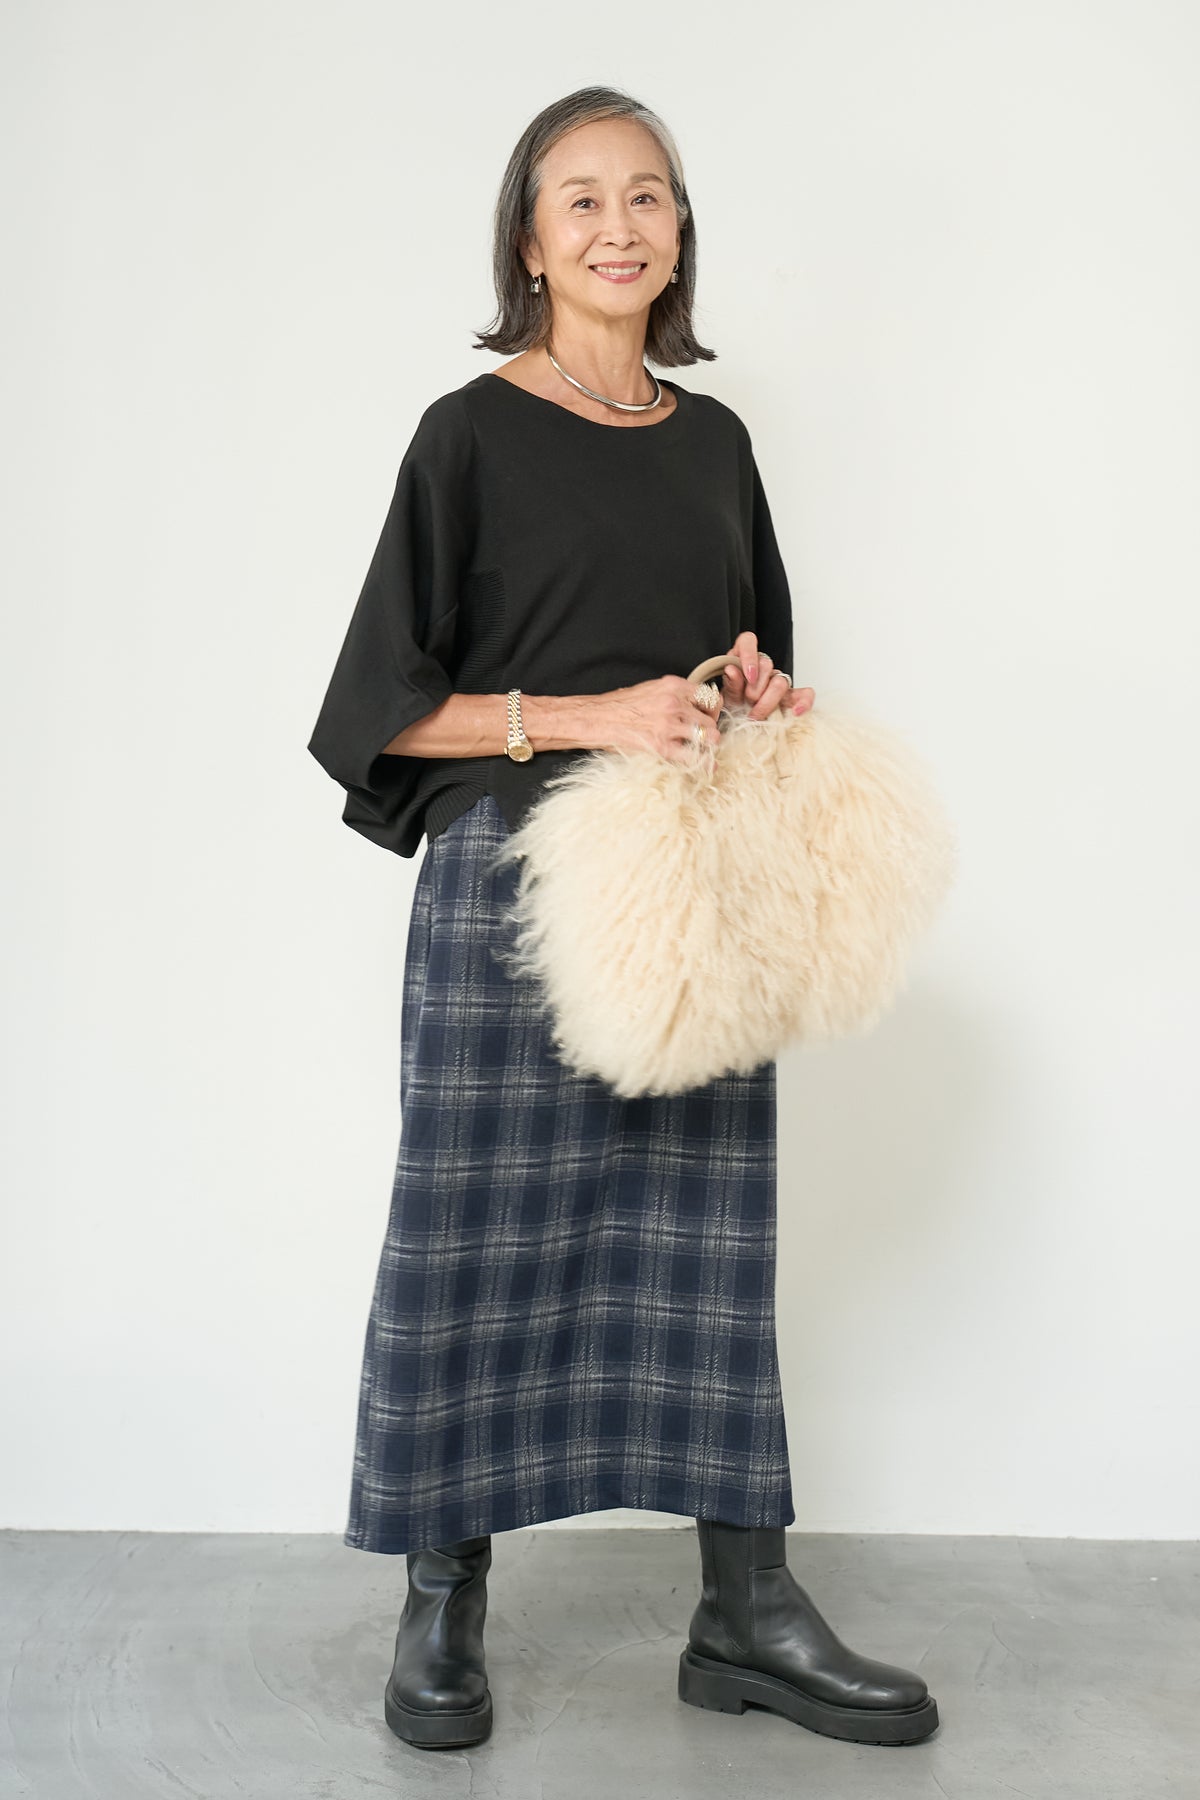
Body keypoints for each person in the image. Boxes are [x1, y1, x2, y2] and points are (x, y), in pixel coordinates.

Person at [307, 84, 939, 1755]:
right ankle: (443, 1602)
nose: (617, 225)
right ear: (528, 243)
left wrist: (751, 690)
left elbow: (741, 658)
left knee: (710, 1243)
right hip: (510, 899)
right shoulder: (465, 436)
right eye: (579, 198)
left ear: (679, 235)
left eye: (647, 195)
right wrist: (585, 716)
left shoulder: (716, 445)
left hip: (693, 892)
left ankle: (746, 1609)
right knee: (468, 1237)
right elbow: (380, 711)